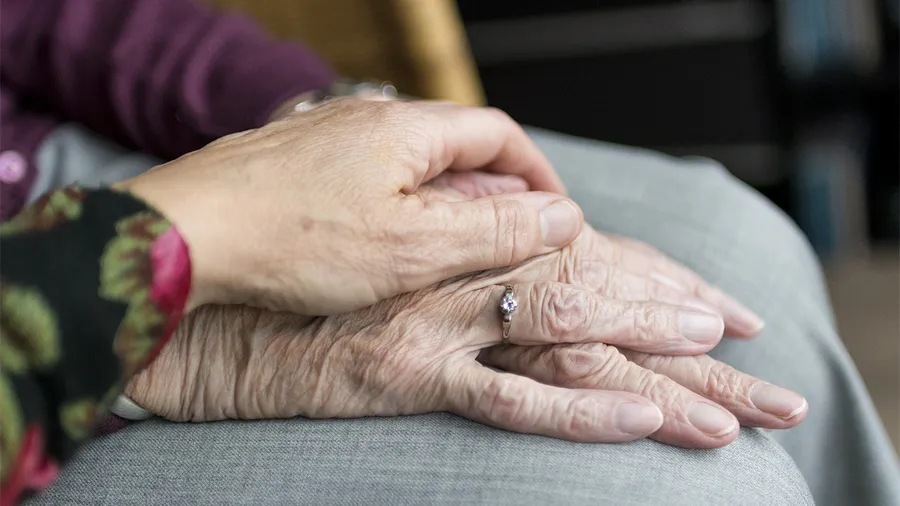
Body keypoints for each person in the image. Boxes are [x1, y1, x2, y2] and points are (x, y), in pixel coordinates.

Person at [0, 1, 897, 506]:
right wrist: (183, 334)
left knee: (735, 248)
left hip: (70, 158)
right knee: (686, 485)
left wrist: (319, 126)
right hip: (35, 371)